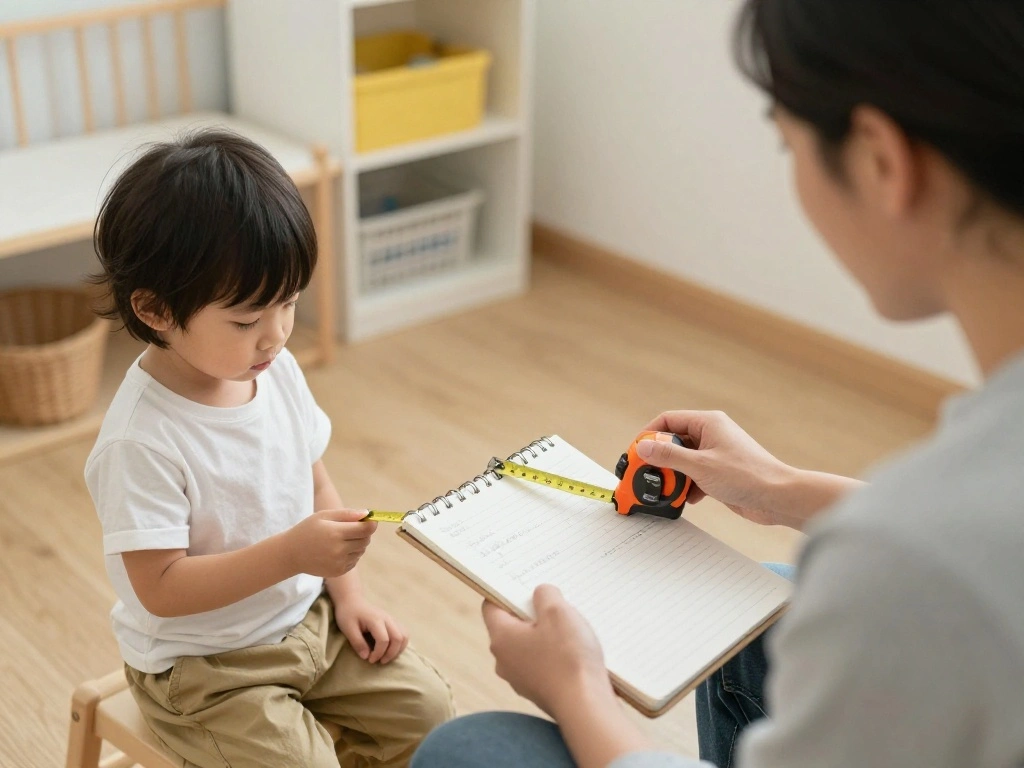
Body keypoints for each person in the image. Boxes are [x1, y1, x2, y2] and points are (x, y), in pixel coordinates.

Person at [412, 1, 1024, 766]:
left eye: (786, 144)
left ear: (881, 160)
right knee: (761, 606)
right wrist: (779, 487)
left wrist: (575, 690)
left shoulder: (904, 566)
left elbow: (934, 555)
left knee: (471, 749)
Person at [85, 130, 453, 768]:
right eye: (246, 320)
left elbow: (317, 487)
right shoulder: (138, 439)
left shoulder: (272, 372)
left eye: (288, 301)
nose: (277, 334)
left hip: (310, 622)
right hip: (205, 672)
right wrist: (291, 553)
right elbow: (161, 588)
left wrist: (352, 596)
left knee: (430, 713)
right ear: (155, 310)